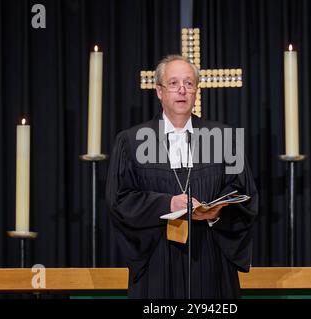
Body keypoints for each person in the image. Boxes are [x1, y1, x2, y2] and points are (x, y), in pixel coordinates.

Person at [106, 55, 258, 298]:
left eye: (189, 83)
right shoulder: (130, 141)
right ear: (159, 91)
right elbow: (119, 200)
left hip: (211, 258)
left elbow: (245, 194)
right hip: (156, 259)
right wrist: (168, 203)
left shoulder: (226, 137)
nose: (182, 90)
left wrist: (216, 213)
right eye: (174, 83)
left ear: (196, 91)